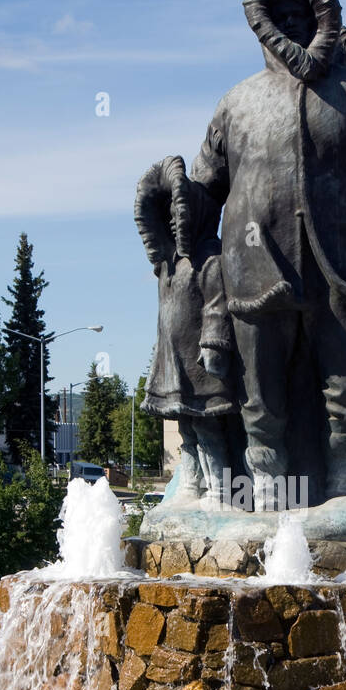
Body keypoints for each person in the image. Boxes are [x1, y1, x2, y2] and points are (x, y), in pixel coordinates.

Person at [190, 0, 346, 509]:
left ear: (320, 18)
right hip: (254, 265)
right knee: (258, 387)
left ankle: (345, 470)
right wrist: (170, 201)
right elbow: (205, 189)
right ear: (261, 21)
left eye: (300, 13)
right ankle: (265, 475)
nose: (290, 24)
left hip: (344, 264)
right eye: (279, 14)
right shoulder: (236, 103)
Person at [134, 155, 239, 508]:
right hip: (174, 362)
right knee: (187, 430)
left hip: (200, 363)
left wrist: (215, 343)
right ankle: (192, 484)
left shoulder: (209, 257)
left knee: (208, 427)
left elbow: (216, 304)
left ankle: (221, 490)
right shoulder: (166, 265)